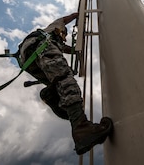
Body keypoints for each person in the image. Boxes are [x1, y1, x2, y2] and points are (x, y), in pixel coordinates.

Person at [19, 12, 113, 155]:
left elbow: (65, 49)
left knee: (58, 84)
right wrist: (79, 14)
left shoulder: (54, 41)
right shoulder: (51, 30)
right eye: (64, 35)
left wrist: (75, 51)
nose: (65, 37)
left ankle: (52, 95)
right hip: (40, 46)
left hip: (28, 59)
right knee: (64, 78)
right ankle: (81, 127)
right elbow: (64, 19)